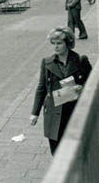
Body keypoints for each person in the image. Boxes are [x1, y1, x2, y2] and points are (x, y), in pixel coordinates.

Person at [30, 27, 92, 155]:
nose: (56, 47)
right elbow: (41, 88)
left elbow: (92, 84)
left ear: (68, 43)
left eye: (59, 43)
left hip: (74, 112)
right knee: (57, 152)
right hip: (54, 113)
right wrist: (34, 113)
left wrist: (82, 87)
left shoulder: (81, 60)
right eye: (53, 43)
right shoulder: (47, 62)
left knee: (75, 152)